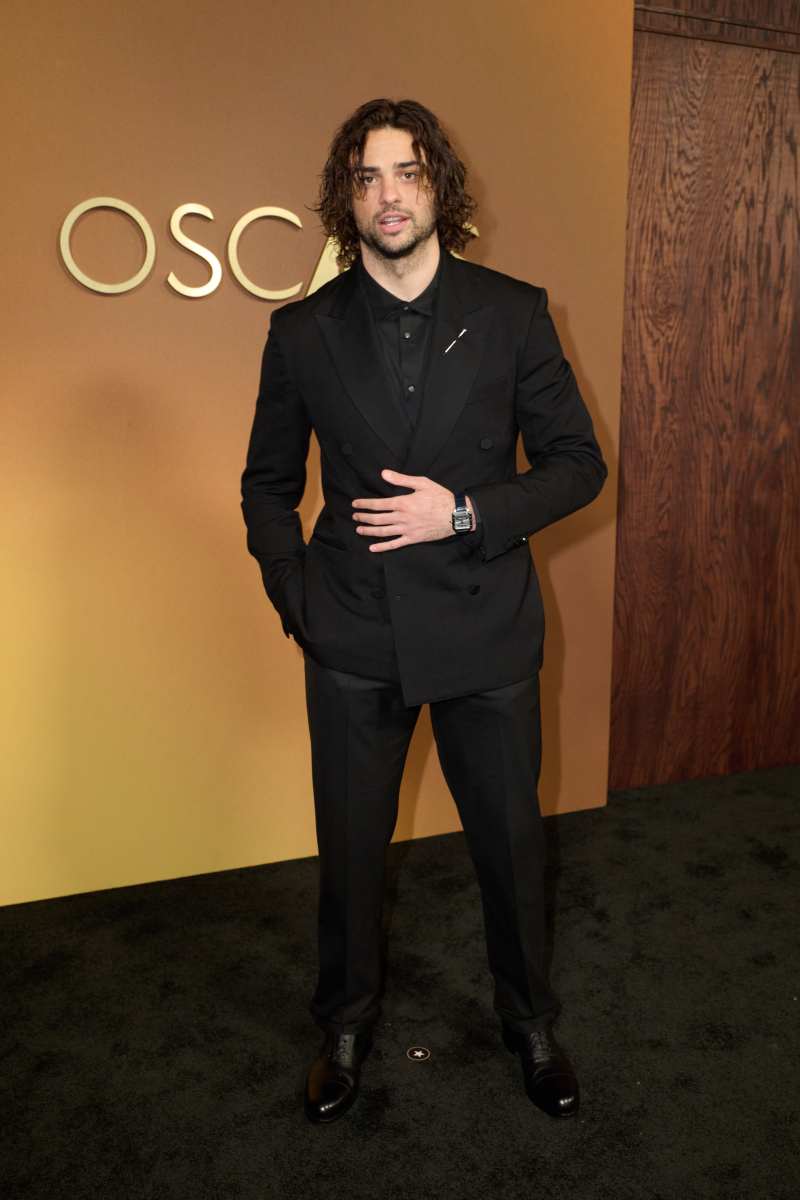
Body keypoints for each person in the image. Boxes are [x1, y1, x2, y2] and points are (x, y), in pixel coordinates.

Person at [240, 97, 607, 1124]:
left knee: (510, 847)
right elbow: (267, 485)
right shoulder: (301, 331)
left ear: (438, 185)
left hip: (484, 625)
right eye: (366, 177)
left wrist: (465, 512)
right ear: (345, 199)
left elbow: (578, 465)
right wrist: (299, 601)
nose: (387, 195)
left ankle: (529, 1023)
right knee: (350, 852)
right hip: (353, 632)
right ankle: (344, 1026)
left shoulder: (513, 312)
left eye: (406, 172)